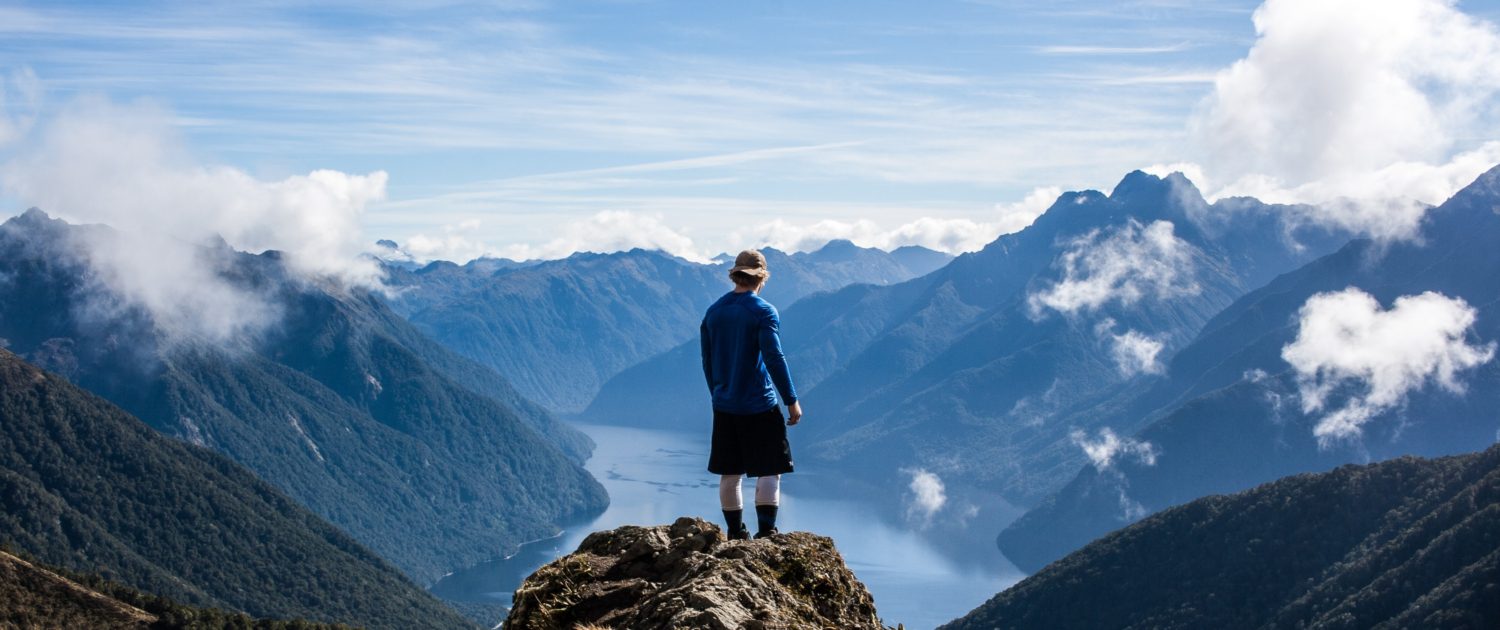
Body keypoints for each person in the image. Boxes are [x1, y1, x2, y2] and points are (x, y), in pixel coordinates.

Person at [700, 249, 803, 540]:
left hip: (724, 405)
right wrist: (791, 399)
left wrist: (718, 393)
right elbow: (774, 357)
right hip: (759, 403)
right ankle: (767, 533)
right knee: (770, 467)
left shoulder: (713, 312)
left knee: (730, 472)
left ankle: (735, 533)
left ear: (735, 275)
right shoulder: (762, 311)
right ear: (762, 277)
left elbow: (707, 361)